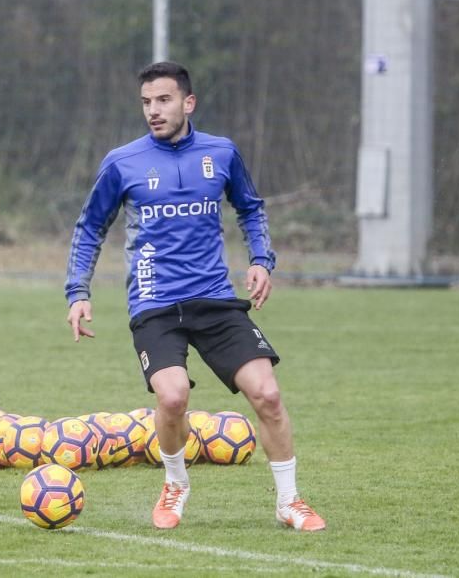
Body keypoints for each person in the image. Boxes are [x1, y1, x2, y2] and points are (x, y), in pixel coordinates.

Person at [64, 61, 325, 531]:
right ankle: (176, 482)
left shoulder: (221, 153)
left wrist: (262, 259)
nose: (153, 111)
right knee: (172, 397)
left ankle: (289, 502)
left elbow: (250, 208)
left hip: (214, 298)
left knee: (267, 393)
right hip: (155, 304)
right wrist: (77, 291)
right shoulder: (122, 162)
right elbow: (89, 229)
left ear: (188, 103)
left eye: (163, 100)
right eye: (146, 102)